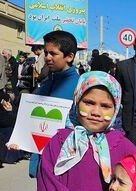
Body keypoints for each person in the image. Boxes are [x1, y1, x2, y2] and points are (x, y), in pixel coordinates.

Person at [26, 31, 81, 178]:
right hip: (41, 158)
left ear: (69, 56)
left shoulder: (80, 87)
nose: (48, 58)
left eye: (53, 53)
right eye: (46, 52)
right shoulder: (46, 82)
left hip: (63, 162)